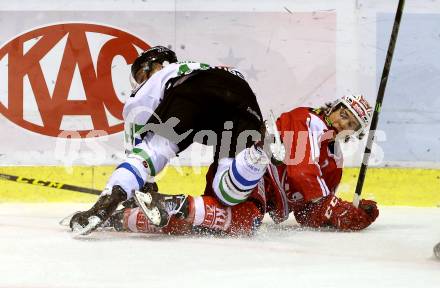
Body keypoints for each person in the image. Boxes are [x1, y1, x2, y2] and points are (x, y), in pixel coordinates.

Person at [69, 46, 281, 235]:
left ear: (157, 66)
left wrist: (127, 190)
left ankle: (105, 203)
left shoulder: (154, 84)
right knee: (227, 192)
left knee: (152, 150)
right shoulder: (204, 66)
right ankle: (258, 152)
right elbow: (232, 83)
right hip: (243, 99)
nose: (141, 81)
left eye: (142, 74)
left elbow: (142, 157)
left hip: (192, 92)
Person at [104, 94, 379, 236]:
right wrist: (335, 205)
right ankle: (178, 204)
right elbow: (301, 170)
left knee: (207, 227)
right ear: (333, 108)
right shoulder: (308, 120)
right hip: (245, 169)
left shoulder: (336, 162)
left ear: (354, 133)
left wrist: (341, 216)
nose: (343, 123)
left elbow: (308, 211)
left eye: (351, 123)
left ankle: (125, 219)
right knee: (245, 219)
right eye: (344, 113)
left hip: (258, 194)